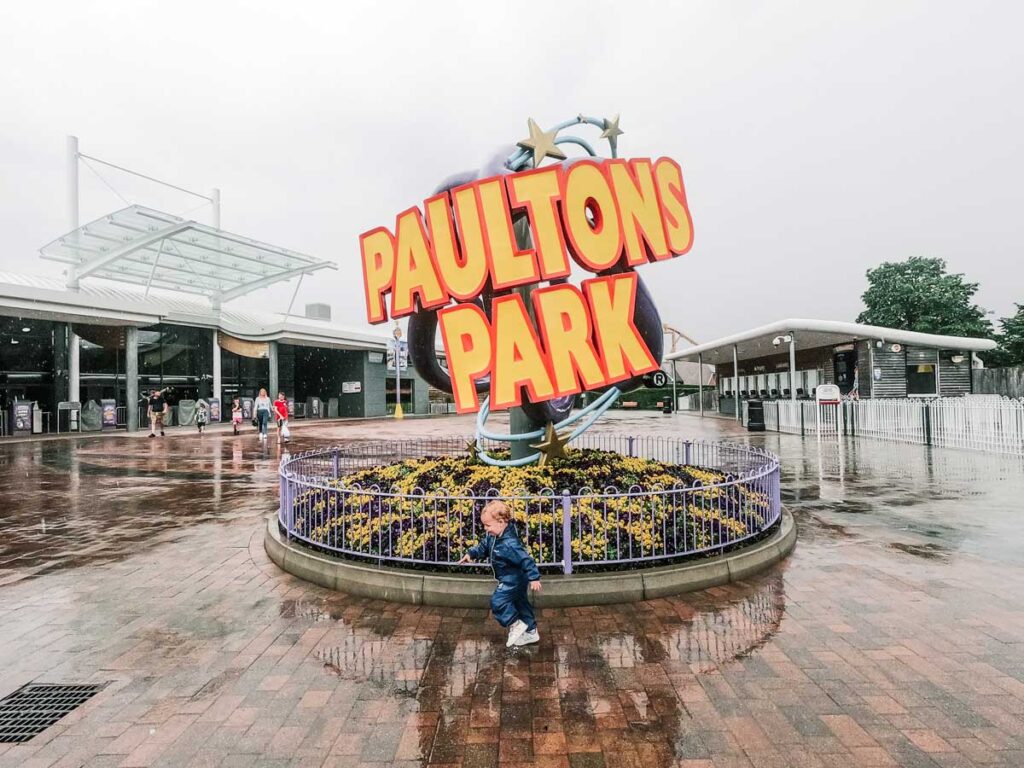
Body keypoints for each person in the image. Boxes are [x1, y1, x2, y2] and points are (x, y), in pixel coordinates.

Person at [458, 500, 542, 647]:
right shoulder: (495, 537)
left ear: (501, 522)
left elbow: (525, 559)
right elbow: (484, 546)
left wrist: (534, 577)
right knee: (521, 604)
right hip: (515, 578)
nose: (485, 528)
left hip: (513, 580)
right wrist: (471, 554)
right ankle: (531, 632)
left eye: (488, 525)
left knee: (498, 602)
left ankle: (515, 624)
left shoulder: (509, 543)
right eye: (484, 525)